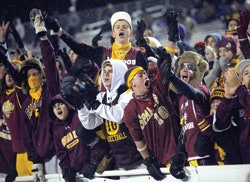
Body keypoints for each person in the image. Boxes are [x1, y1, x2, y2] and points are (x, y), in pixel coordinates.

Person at [123, 48, 180, 181]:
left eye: (146, 74)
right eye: (141, 75)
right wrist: (148, 161)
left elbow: (163, 67)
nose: (146, 77)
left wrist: (166, 57)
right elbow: (138, 140)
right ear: (132, 84)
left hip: (180, 152)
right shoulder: (130, 110)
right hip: (161, 162)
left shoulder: (157, 87)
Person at [20, 9, 61, 181]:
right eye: (29, 76)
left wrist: (42, 37)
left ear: (42, 75)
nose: (32, 78)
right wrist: (36, 164)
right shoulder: (26, 104)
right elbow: (27, 136)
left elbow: (50, 64)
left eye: (35, 73)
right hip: (44, 160)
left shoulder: (50, 91)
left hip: (61, 153)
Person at [164, 51, 218, 167]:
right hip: (191, 157)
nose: (184, 69)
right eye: (182, 66)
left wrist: (172, 77)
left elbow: (193, 93)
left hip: (205, 157)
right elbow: (184, 129)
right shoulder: (180, 99)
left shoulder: (201, 88)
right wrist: (179, 154)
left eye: (190, 67)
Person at [46, 11, 148, 70]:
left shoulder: (138, 55)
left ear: (130, 33)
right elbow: (79, 48)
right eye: (117, 27)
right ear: (113, 34)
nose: (121, 29)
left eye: (125, 27)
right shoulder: (103, 52)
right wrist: (59, 31)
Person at [213, 59, 250, 164]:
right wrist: (227, 97)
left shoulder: (241, 93)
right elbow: (221, 125)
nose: (249, 75)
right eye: (246, 73)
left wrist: (239, 88)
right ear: (241, 80)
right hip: (242, 165)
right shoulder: (237, 101)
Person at [48, 94, 90, 182]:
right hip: (77, 175)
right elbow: (61, 153)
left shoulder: (78, 117)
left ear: (67, 105)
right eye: (54, 106)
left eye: (60, 104)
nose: (57, 108)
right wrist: (66, 169)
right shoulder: (57, 130)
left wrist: (93, 162)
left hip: (92, 170)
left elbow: (93, 139)